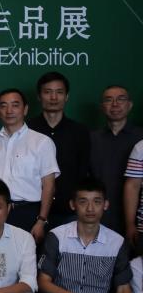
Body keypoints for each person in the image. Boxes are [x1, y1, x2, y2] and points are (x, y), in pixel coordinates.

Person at [0, 88, 59, 242]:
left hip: (28, 213)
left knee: (26, 256)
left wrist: (41, 220)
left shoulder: (42, 142)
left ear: (25, 109)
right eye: (3, 105)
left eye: (15, 105)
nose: (9, 110)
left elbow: (49, 185)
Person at [27, 72, 90, 227]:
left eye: (59, 92)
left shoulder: (80, 131)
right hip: (32, 210)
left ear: (66, 96)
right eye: (47, 92)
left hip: (68, 212)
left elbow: (83, 172)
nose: (53, 97)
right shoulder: (26, 130)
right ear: (39, 96)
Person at [90, 85, 142, 234]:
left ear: (130, 105)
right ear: (102, 106)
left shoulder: (141, 138)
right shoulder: (91, 138)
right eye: (109, 100)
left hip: (135, 217)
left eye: (121, 99)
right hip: (99, 214)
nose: (115, 104)